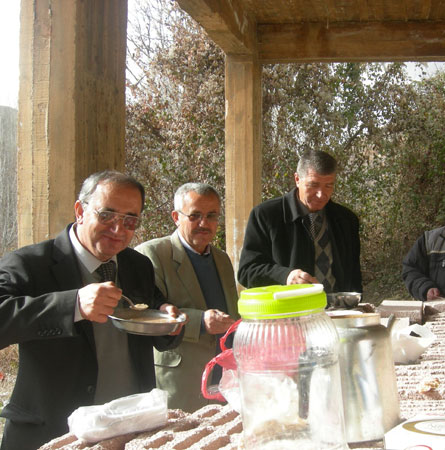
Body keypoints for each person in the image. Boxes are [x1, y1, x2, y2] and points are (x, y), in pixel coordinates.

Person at [0, 170, 185, 450]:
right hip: (51, 432)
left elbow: (152, 312)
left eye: (130, 220)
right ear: (80, 210)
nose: (118, 229)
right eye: (106, 215)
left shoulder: (137, 265)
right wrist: (73, 304)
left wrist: (169, 320)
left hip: (129, 430)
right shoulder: (30, 264)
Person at [136, 183, 238, 412]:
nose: (205, 224)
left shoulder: (222, 259)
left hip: (225, 376)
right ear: (176, 217)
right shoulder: (151, 254)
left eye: (212, 216)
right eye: (195, 216)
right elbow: (146, 314)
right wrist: (200, 321)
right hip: (181, 378)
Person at [237, 150, 362, 294]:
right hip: (287, 312)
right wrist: (285, 276)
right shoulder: (266, 215)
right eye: (313, 185)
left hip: (337, 312)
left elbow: (354, 276)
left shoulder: (346, 220)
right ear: (297, 179)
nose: (321, 194)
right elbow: (247, 272)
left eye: (328, 186)